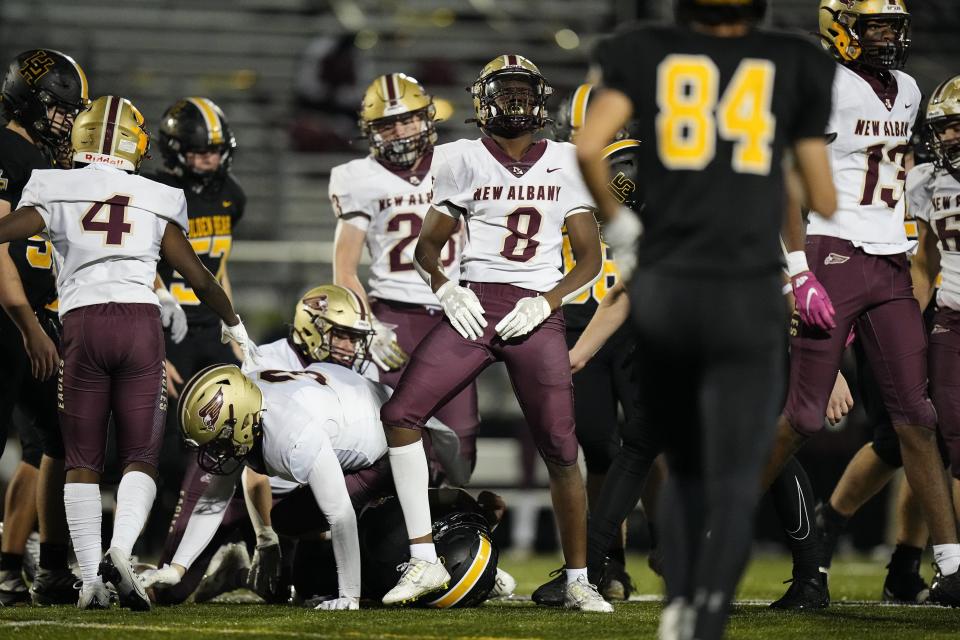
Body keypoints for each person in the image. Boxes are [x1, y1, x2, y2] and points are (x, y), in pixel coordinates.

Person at [578, 0, 837, 637]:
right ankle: (706, 615)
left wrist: (625, 226)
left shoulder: (644, 49)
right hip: (747, 289)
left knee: (675, 454)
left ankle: (677, 606)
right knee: (737, 467)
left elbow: (589, 148)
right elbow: (822, 194)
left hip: (670, 283)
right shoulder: (793, 58)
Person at [0, 94, 255, 611]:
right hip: (141, 325)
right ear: (134, 144)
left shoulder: (55, 186)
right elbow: (201, 278)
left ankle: (91, 576)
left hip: (82, 325)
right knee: (142, 456)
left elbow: (6, 232)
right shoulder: (156, 194)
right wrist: (234, 324)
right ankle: (121, 551)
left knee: (81, 459)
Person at [378, 54, 611, 613]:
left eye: (520, 92)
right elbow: (426, 248)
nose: (513, 103)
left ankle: (579, 578)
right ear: (482, 102)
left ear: (540, 100)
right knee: (400, 415)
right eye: (502, 93)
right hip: (475, 303)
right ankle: (425, 556)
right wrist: (446, 288)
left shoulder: (567, 160)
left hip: (536, 309)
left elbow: (590, 259)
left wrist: (548, 299)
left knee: (561, 447)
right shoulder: (459, 157)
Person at [757, 0, 960, 608]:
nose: (887, 39)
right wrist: (797, 271)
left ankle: (951, 566)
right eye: (874, 27)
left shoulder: (908, 88)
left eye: (893, 28)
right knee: (805, 417)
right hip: (833, 251)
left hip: (889, 261)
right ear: (840, 29)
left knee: (916, 417)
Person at [143, 285, 473, 606]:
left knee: (301, 530)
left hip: (382, 453)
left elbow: (339, 513)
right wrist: (176, 568)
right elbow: (214, 499)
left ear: (242, 422)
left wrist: (348, 597)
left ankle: (451, 521)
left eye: (218, 439)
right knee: (293, 542)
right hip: (342, 427)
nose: (215, 451)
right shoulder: (251, 403)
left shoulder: (292, 431)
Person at [331, 73, 478, 481]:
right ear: (370, 131)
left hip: (457, 315)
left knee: (461, 441)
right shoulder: (357, 177)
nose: (400, 130)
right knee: (389, 434)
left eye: (409, 119)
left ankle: (451, 530)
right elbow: (345, 267)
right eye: (388, 124)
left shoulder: (460, 162)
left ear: (427, 117)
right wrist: (369, 326)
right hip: (395, 317)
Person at [533, 84, 648, 601]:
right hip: (581, 321)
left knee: (652, 443)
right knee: (601, 445)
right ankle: (609, 562)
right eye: (585, 134)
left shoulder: (645, 175)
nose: (599, 143)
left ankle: (668, 547)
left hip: (639, 321)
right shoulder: (549, 177)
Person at [0, 48, 91, 606]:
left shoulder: (47, 163)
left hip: (37, 319)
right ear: (32, 104)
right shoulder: (6, 150)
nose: (68, 123)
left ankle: (38, 565)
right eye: (61, 110)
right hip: (9, 319)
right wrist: (30, 326)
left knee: (53, 439)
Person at [907, 72, 960, 601]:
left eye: (957, 128)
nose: (948, 139)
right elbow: (924, 262)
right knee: (953, 439)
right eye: (944, 129)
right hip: (951, 318)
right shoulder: (926, 180)